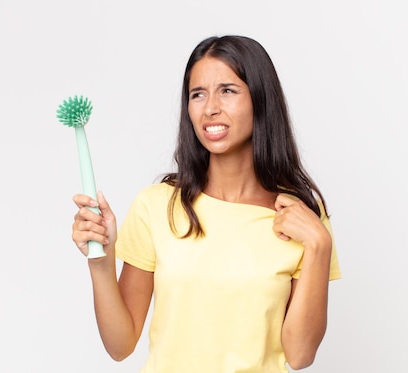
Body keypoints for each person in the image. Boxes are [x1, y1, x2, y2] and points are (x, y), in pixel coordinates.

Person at [71, 35, 341, 373]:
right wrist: (101, 261)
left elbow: (300, 355)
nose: (210, 107)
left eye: (227, 90)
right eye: (198, 94)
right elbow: (120, 345)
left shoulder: (300, 216)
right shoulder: (156, 206)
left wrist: (319, 245)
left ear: (260, 99)